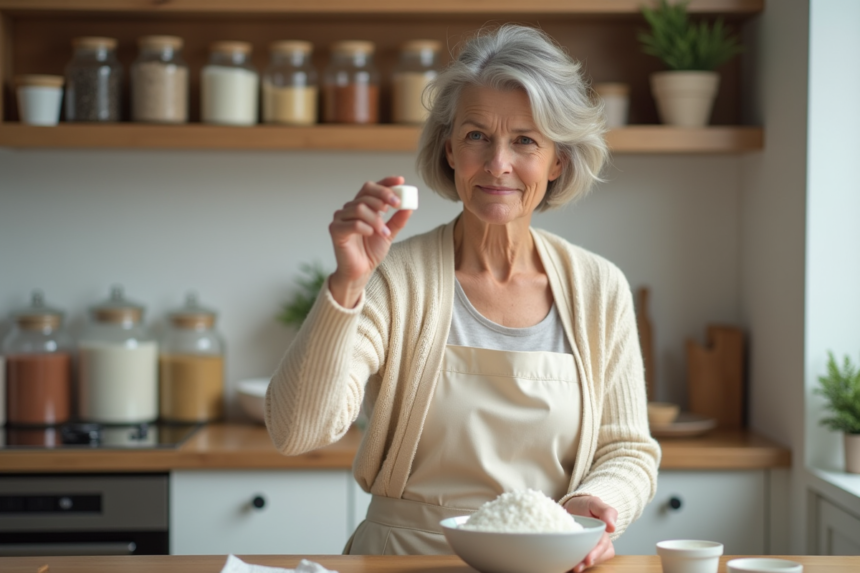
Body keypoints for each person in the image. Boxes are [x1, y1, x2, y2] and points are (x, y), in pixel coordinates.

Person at [266, 24, 660, 571]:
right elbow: (296, 432)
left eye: (525, 140)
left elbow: (627, 449)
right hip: (404, 561)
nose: (498, 162)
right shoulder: (392, 278)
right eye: (477, 135)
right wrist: (347, 283)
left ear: (557, 162)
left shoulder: (599, 287)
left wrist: (595, 506)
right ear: (450, 150)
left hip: (548, 565)